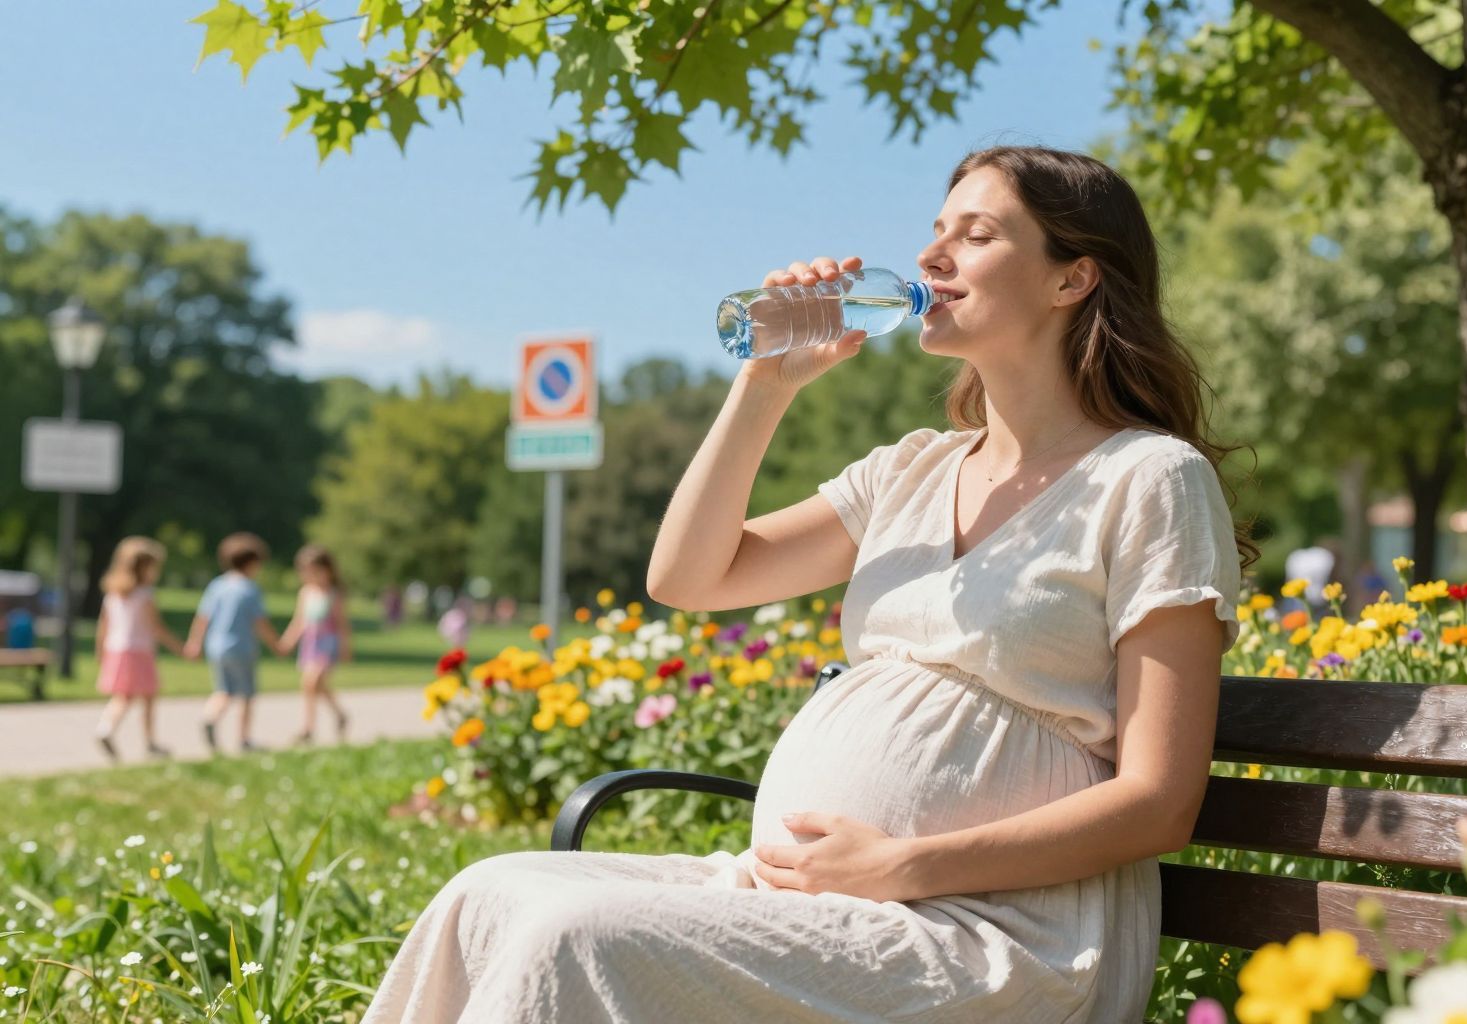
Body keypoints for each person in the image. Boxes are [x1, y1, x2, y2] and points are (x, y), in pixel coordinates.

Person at [362, 147, 1251, 1023]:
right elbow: (687, 577)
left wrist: (907, 863)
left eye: (975, 236)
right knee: (487, 896)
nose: (933, 256)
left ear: (1073, 280)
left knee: (576, 934)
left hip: (998, 932)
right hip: (830, 899)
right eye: (935, 232)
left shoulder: (1151, 479)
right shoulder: (912, 468)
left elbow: (1159, 801)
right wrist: (763, 384)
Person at [185, 532, 283, 754]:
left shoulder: (217, 586)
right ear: (252, 563)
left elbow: (203, 618)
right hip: (242, 647)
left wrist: (194, 642)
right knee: (247, 695)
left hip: (216, 647)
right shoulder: (250, 589)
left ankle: (210, 717)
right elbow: (260, 623)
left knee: (223, 690)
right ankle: (244, 739)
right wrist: (275, 644)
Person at [92, 537, 184, 761]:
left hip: (116, 649)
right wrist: (179, 648)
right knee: (148, 697)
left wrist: (100, 650)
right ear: (145, 568)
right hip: (139, 651)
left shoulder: (113, 593)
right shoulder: (145, 594)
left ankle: (106, 728)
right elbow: (156, 628)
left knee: (123, 695)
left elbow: (103, 626)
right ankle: (150, 742)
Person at [278, 544, 352, 746]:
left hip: (327, 644)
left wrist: (346, 647)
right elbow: (299, 621)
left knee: (311, 682)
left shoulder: (334, 594)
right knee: (315, 686)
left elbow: (342, 624)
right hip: (310, 643)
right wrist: (287, 642)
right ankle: (339, 714)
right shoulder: (306, 593)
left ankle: (308, 728)